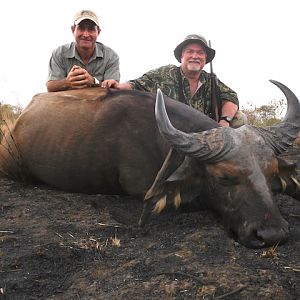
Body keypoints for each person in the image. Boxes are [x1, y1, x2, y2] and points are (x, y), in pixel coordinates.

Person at [102, 34, 246, 127]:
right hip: (170, 136)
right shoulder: (165, 73)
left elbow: (231, 97)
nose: (195, 56)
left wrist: (224, 121)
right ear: (181, 56)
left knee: (240, 118)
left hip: (204, 137)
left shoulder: (211, 81)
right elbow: (137, 84)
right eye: (190, 51)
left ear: (205, 59)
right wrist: (118, 87)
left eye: (200, 53)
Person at [46, 10, 120, 92]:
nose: (85, 34)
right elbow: (50, 87)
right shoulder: (59, 53)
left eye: (91, 29)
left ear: (98, 32)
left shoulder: (111, 56)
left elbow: (114, 90)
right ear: (73, 29)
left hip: (99, 103)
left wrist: (93, 82)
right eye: (81, 28)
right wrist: (66, 82)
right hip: (68, 103)